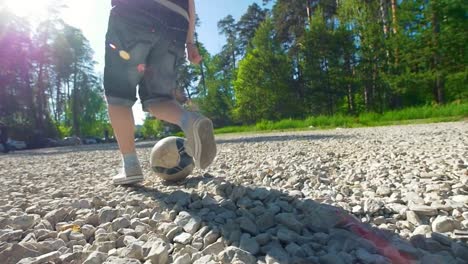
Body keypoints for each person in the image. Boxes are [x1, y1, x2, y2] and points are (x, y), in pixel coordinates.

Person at [104, 0, 217, 185]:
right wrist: (190, 42)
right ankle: (190, 120)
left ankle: (130, 165)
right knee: (158, 98)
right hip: (176, 22)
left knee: (118, 95)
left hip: (133, 11)